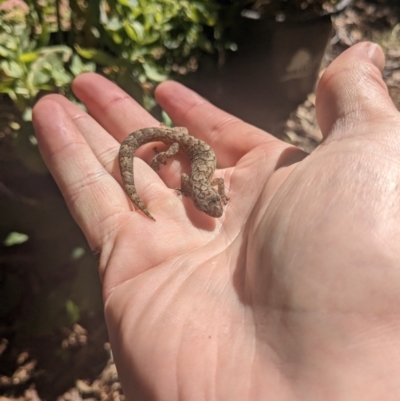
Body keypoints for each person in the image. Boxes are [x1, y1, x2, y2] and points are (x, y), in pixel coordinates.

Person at [32, 42, 400, 400]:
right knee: (138, 148)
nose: (212, 211)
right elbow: (190, 183)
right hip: (180, 142)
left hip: (186, 146)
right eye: (210, 206)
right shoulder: (197, 182)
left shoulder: (208, 186)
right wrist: (168, 156)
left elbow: (202, 190)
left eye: (212, 206)